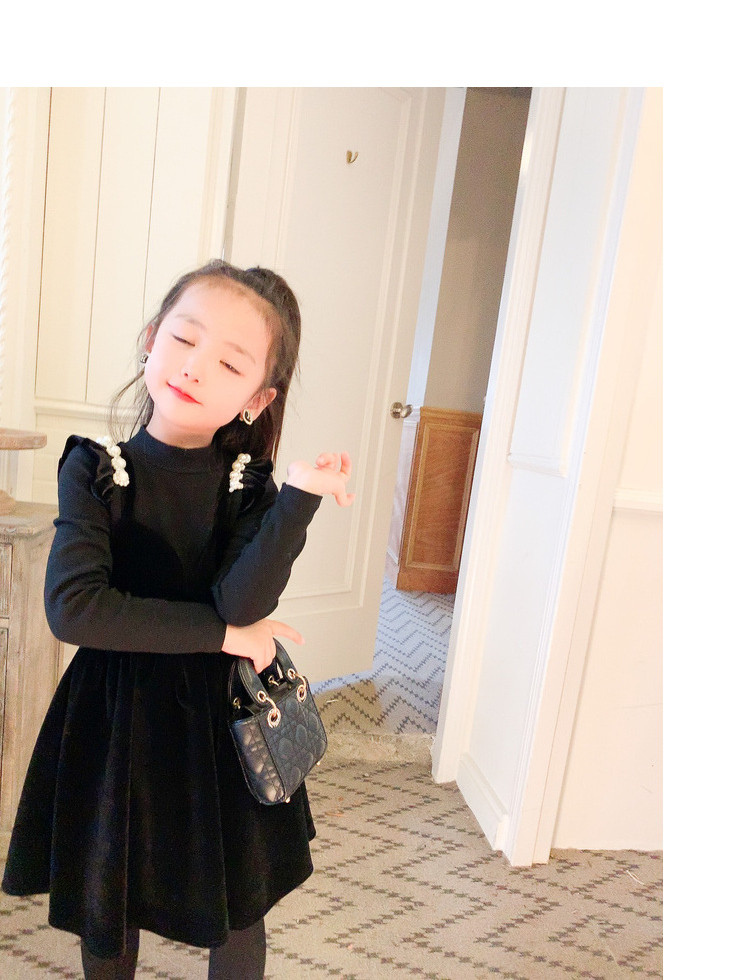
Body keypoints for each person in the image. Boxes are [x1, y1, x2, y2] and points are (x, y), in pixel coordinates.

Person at [1, 260, 354, 979]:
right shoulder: (94, 470)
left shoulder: (249, 486)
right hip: (115, 717)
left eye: (230, 363)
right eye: (185, 339)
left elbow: (243, 603)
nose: (195, 367)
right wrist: (224, 636)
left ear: (257, 399)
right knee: (111, 895)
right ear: (150, 339)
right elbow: (76, 608)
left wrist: (300, 497)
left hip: (223, 723)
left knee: (239, 904)